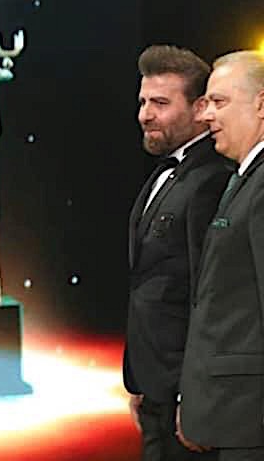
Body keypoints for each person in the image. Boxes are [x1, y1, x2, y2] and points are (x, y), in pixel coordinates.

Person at [124, 45, 232, 460]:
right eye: (143, 102)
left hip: (184, 393)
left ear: (199, 108)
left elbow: (210, 297)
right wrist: (139, 379)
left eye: (160, 103)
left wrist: (194, 394)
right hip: (156, 386)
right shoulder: (170, 171)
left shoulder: (211, 180)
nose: (145, 115)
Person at [178, 50, 264, 459]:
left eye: (219, 102)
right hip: (233, 415)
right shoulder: (243, 180)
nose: (206, 115)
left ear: (262, 104)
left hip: (251, 421)